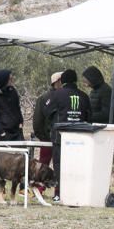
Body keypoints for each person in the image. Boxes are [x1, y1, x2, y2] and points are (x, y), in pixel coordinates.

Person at [45, 69, 92, 202]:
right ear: (75, 80)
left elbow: (47, 112)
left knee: (60, 166)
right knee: (78, 165)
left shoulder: (56, 94)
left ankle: (61, 194)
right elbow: (89, 117)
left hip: (60, 137)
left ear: (63, 81)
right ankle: (78, 193)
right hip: (81, 138)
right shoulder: (84, 96)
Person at [32, 71, 63, 168]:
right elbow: (37, 121)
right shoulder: (43, 99)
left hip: (60, 139)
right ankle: (39, 183)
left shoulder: (63, 96)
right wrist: (44, 137)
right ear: (57, 81)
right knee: (43, 167)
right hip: (48, 139)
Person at [0, 69, 23, 141]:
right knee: (5, 152)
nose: (12, 80)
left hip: (17, 132)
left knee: (21, 152)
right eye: (10, 79)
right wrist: (1, 132)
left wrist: (21, 121)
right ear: (4, 80)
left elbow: (17, 108)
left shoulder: (13, 91)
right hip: (4, 134)